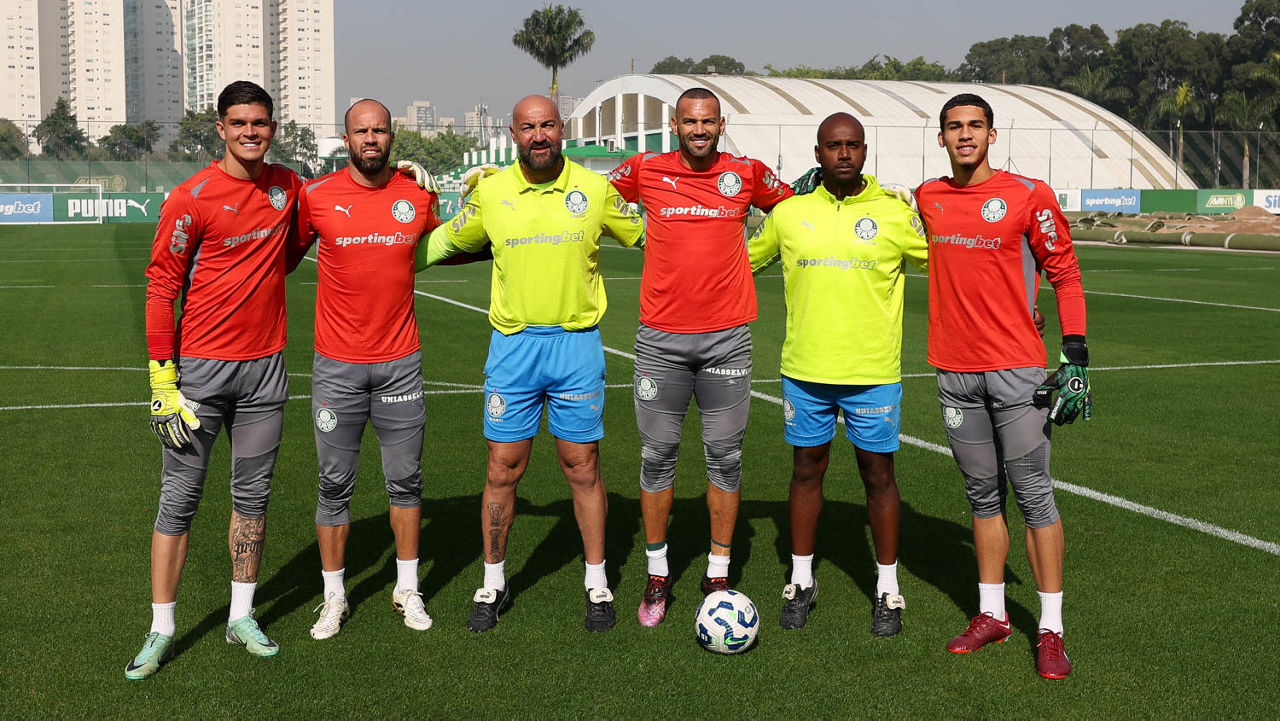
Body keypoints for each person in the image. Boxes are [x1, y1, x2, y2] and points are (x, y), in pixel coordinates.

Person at [417, 95, 644, 633]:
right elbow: (435, 245)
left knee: (582, 466)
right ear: (513, 134)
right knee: (502, 468)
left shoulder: (595, 191)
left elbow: (651, 239)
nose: (538, 135)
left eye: (547, 125)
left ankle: (597, 583)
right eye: (527, 127)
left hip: (576, 347)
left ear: (561, 129)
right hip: (513, 350)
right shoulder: (491, 193)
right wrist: (401, 205)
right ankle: (493, 582)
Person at [128, 80, 304, 680]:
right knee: (179, 499)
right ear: (222, 129)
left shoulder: (288, 187)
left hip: (265, 371)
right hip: (200, 373)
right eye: (240, 123)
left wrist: (400, 180)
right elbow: (161, 289)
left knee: (253, 497)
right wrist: (162, 380)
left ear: (272, 128)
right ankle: (161, 628)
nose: (251, 132)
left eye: (260, 122)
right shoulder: (191, 197)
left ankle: (241, 616)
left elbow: (301, 242)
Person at [916, 93, 1092, 680]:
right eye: (954, 127)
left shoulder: (1027, 194)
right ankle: (992, 614)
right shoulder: (928, 197)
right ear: (941, 137)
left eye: (975, 126)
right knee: (981, 496)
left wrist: (1074, 353)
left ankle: (1050, 629)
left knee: (1034, 494)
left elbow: (1065, 272)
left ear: (992, 135)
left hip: (1016, 370)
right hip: (953, 371)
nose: (965, 135)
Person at [606, 87, 792, 627]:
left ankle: (717, 573)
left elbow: (798, 207)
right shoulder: (644, 169)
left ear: (721, 124)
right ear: (674, 124)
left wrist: (876, 199)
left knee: (725, 458)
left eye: (708, 121)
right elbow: (584, 192)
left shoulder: (746, 173)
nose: (699, 130)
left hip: (727, 340)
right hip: (660, 340)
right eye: (690, 122)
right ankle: (657, 574)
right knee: (657, 457)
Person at [748, 112, 926, 635]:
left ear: (864, 151)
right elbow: (738, 263)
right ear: (818, 152)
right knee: (807, 470)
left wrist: (1020, 302)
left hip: (872, 371)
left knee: (879, 475)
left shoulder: (894, 214)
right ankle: (801, 579)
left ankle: (887, 587)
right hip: (806, 370)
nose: (843, 153)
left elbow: (954, 266)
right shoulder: (789, 214)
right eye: (833, 145)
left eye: (852, 145)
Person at [294, 99, 442, 640]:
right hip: (337, 368)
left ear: (392, 137)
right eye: (362, 131)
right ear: (347, 139)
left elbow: (453, 244)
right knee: (334, 484)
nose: (371, 138)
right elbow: (280, 258)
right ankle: (334, 596)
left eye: (380, 130)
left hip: (400, 363)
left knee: (406, 479)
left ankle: (407, 587)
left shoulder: (417, 195)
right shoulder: (317, 197)